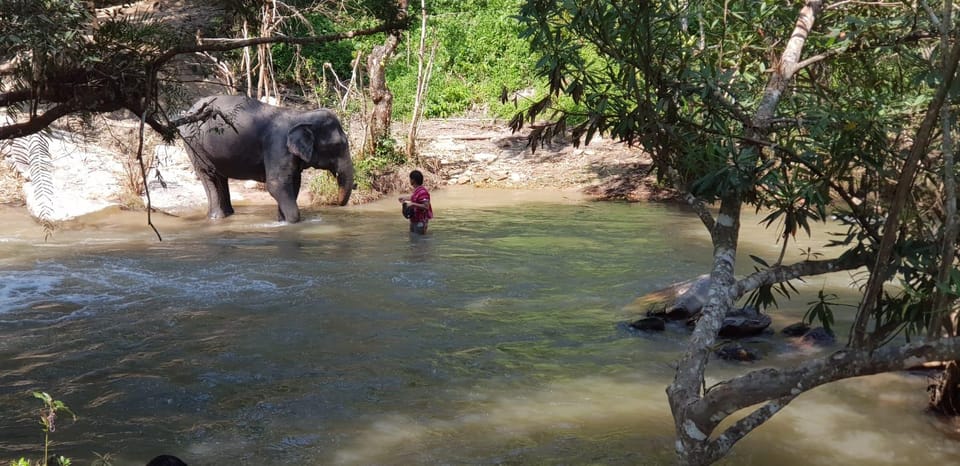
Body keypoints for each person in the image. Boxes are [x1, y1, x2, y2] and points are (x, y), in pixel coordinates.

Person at [398, 169, 433, 234]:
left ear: (413, 180)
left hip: (420, 222)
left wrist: (412, 204)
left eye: (410, 179)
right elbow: (415, 198)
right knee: (414, 240)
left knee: (420, 241)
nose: (410, 180)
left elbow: (426, 206)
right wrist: (404, 198)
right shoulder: (417, 190)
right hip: (414, 220)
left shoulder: (423, 192)